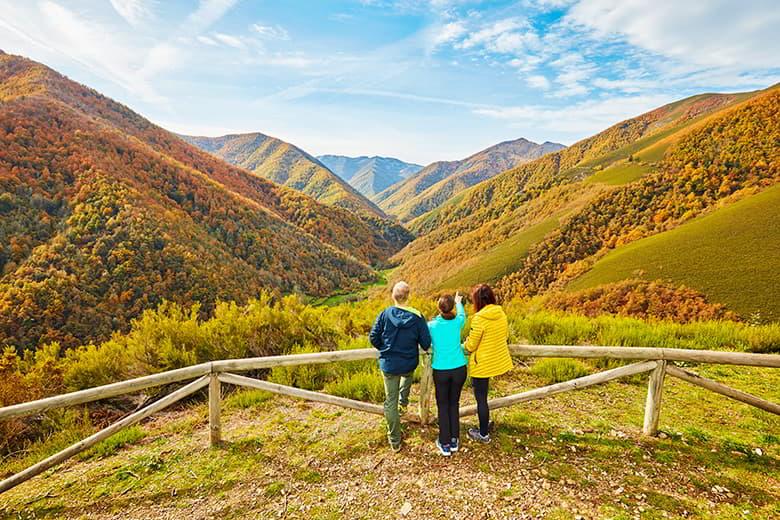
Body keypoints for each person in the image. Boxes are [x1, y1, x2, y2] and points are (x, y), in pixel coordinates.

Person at [369, 281, 431, 452]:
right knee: (407, 375)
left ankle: (395, 441)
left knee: (390, 401)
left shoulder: (385, 313)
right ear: (408, 296)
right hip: (408, 363)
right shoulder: (417, 316)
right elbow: (426, 343)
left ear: (393, 296)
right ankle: (403, 403)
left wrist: (384, 348)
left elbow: (373, 337)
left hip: (389, 364)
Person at [464, 283, 512, 443]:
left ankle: (483, 434)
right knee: (484, 397)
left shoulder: (479, 318)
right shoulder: (501, 313)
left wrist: (465, 342)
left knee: (481, 399)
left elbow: (471, 345)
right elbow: (505, 336)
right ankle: (485, 424)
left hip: (482, 364)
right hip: (496, 361)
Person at [427, 292, 467, 457]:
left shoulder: (432, 325)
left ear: (439, 308)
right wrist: (458, 302)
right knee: (454, 403)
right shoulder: (458, 322)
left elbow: (426, 341)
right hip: (459, 368)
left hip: (441, 370)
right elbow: (462, 314)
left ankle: (444, 443)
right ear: (452, 308)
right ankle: (454, 439)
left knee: (442, 405)